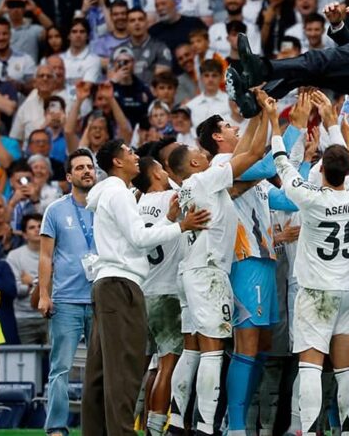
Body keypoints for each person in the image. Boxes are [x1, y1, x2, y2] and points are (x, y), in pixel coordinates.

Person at [81, 139, 210, 436]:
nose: (135, 156)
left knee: (100, 371)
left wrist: (168, 220)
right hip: (121, 284)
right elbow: (139, 238)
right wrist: (181, 226)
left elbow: (134, 237)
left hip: (108, 282)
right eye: (129, 152)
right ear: (117, 162)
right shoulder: (119, 193)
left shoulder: (111, 193)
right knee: (124, 369)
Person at [270, 90, 349, 434]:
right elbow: (348, 166)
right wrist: (332, 123)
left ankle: (310, 429)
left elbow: (282, 165)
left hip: (315, 291)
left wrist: (276, 126)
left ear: (322, 169)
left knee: (311, 366)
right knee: (345, 369)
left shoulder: (311, 199)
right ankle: (348, 429)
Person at [167, 108, 268, 436]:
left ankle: (176, 421)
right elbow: (253, 153)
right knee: (213, 352)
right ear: (195, 162)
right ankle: (205, 426)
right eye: (196, 152)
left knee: (191, 349)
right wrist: (265, 115)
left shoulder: (188, 188)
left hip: (189, 271)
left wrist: (255, 119)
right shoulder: (206, 177)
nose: (202, 152)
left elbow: (238, 181)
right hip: (209, 272)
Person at [38, 148, 97, 436]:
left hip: (101, 299)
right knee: (60, 367)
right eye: (80, 167)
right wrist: (44, 294)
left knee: (100, 369)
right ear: (69, 176)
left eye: (90, 166)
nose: (87, 171)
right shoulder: (56, 210)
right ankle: (56, 427)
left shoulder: (106, 205)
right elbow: (45, 256)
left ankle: (96, 426)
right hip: (66, 301)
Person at [131, 156, 185, 436]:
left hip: (142, 292)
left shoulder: (135, 204)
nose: (166, 172)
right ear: (154, 174)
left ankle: (123, 423)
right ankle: (154, 428)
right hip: (167, 292)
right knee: (168, 365)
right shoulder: (172, 198)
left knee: (141, 368)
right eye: (162, 169)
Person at [6, 213, 46, 344]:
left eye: (40, 226)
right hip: (23, 317)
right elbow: (16, 289)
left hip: (50, 316)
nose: (37, 230)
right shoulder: (14, 256)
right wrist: (40, 282)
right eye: (32, 227)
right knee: (27, 357)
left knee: (55, 356)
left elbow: (57, 287)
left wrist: (31, 282)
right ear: (24, 234)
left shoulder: (56, 254)